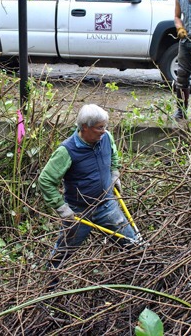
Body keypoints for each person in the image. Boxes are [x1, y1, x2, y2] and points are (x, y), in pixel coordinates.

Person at [38, 104, 139, 272]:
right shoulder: (66, 151)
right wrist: (63, 209)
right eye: (99, 128)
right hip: (79, 212)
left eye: (105, 126)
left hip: (106, 205)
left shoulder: (106, 137)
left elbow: (113, 154)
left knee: (133, 244)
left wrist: (114, 173)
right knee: (62, 253)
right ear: (85, 127)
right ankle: (49, 283)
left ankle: (143, 274)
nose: (104, 131)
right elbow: (46, 180)